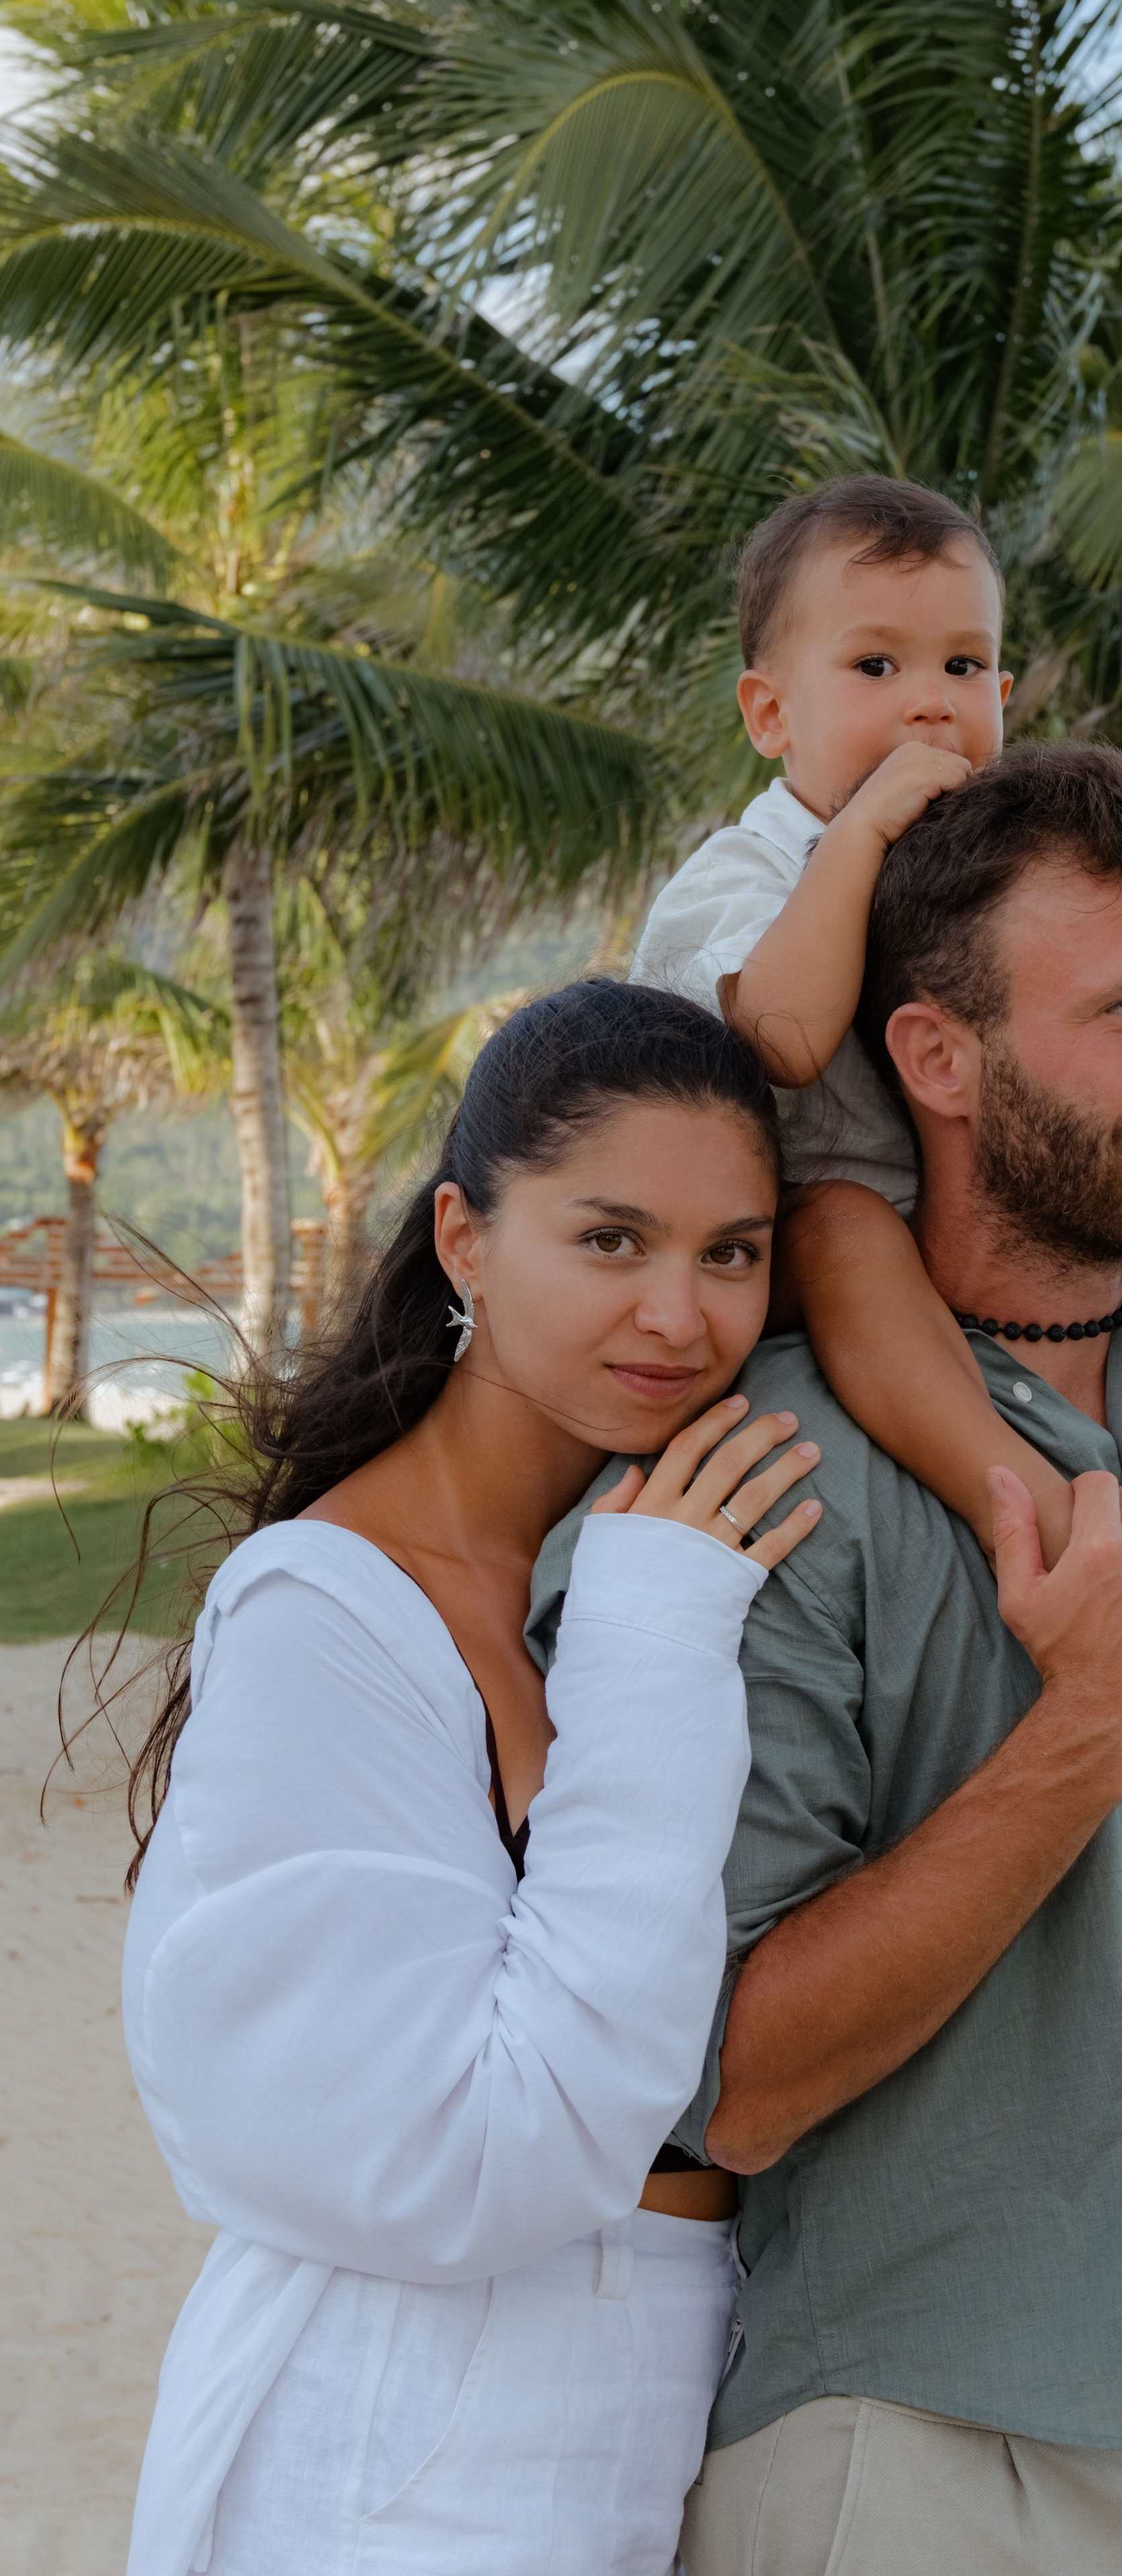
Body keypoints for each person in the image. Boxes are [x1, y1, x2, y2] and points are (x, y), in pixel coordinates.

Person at [533, 745, 1122, 2575]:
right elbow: (717, 2084)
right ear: (940, 1062)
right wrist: (1091, 1727)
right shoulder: (764, 1492)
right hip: (922, 2469)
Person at [116, 981, 825, 2576]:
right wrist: (654, 1634)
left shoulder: (619, 1546)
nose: (679, 1315)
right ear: (461, 1240)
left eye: (731, 1252)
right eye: (609, 1240)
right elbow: (478, 2146)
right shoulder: (331, 1608)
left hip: (642, 2418)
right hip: (395, 2452)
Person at [631, 470, 1122, 1615]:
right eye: (875, 667)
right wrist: (861, 838)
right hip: (769, 1232)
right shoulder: (749, 870)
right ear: (769, 715)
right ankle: (1033, 1513)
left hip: (948, 1216)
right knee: (846, 1226)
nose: (930, 705)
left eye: (962, 668)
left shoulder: (970, 873)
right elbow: (784, 1040)